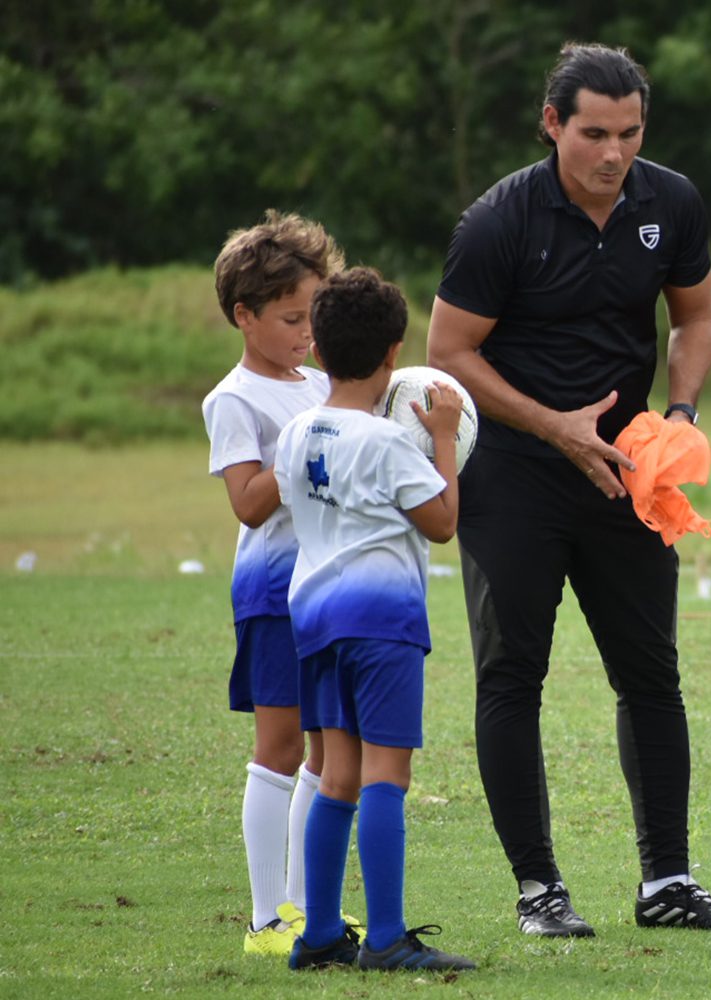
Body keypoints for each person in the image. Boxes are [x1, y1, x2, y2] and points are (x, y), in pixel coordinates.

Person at [425, 42, 711, 935]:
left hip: (627, 478)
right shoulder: (499, 220)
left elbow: (695, 317)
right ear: (552, 125)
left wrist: (680, 413)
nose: (614, 154)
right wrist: (552, 425)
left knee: (652, 677)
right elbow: (448, 354)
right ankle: (540, 890)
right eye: (594, 134)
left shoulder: (671, 201)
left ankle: (668, 885)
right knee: (512, 677)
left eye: (630, 133)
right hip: (513, 477)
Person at [276, 267, 476, 972]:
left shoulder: (296, 431)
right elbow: (443, 522)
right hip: (383, 620)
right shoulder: (390, 443)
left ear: (320, 350)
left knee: (336, 776)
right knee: (388, 776)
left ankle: (321, 933)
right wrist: (444, 438)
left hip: (316, 616)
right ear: (396, 353)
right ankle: (386, 939)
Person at [201, 210, 347, 955]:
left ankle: (307, 909)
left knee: (328, 749)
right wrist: (311, 453)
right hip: (271, 592)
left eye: (314, 315)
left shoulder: (321, 382)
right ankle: (265, 919)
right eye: (292, 317)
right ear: (245, 316)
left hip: (328, 587)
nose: (306, 331)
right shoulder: (235, 399)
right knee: (280, 746)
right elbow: (249, 501)